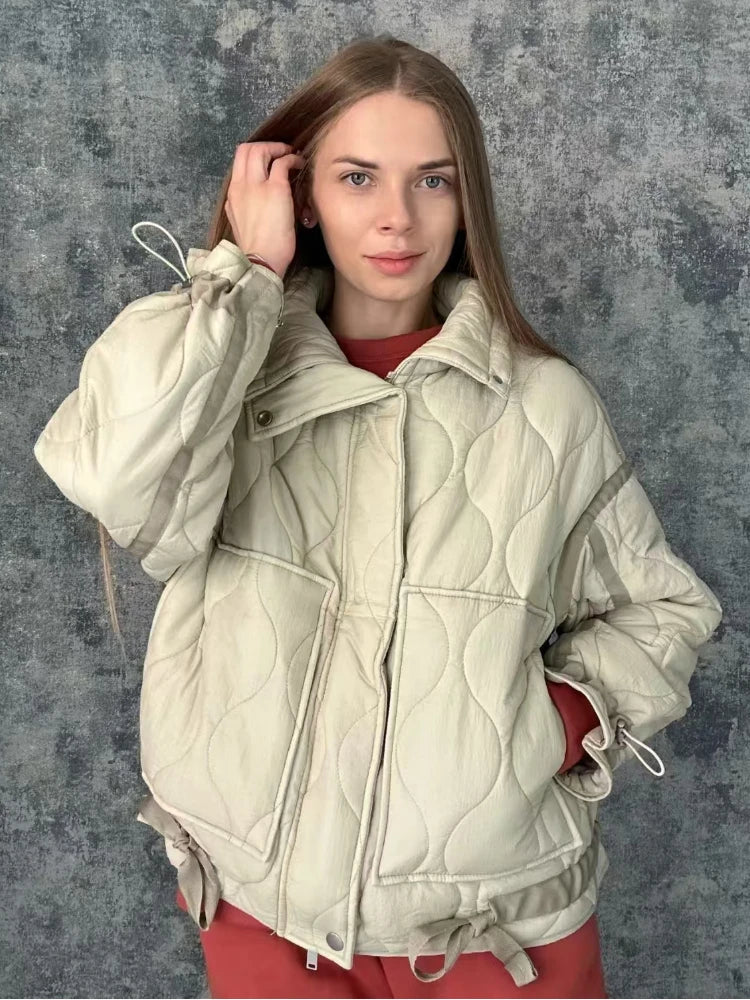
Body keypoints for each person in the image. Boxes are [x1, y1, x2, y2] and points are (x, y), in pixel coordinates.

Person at [33, 33, 723, 1000]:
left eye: (433, 181)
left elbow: (665, 609)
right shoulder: (223, 370)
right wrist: (242, 274)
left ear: (466, 199)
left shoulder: (546, 406)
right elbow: (114, 479)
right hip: (266, 916)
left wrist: (554, 723)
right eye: (358, 177)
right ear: (302, 195)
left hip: (495, 929)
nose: (398, 217)